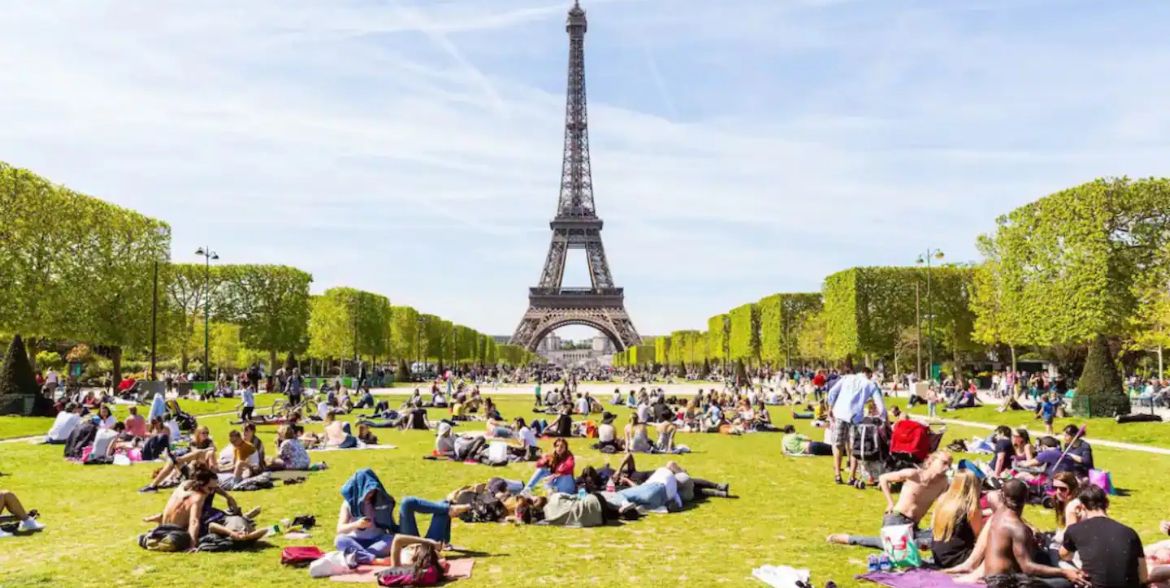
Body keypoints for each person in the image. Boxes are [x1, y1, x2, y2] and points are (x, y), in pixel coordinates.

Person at [827, 451, 952, 549]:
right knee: (896, 545)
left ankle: (908, 541)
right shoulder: (914, 474)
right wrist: (890, 503)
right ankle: (849, 538)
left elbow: (940, 506)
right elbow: (883, 478)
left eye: (949, 464)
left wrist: (935, 524)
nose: (947, 467)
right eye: (944, 463)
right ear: (932, 461)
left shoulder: (943, 483)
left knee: (942, 540)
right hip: (897, 519)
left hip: (914, 525)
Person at [981, 479, 1087, 588]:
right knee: (1067, 583)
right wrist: (1064, 572)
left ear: (1003, 496)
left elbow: (992, 495)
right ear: (1026, 498)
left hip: (992, 578)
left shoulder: (1000, 511)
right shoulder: (1018, 528)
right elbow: (1027, 567)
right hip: (1004, 583)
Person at [1060, 484, 1147, 587]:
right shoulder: (1130, 533)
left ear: (1082, 507)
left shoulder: (1075, 529)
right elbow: (1143, 576)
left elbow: (1065, 556)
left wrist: (1072, 519)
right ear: (1107, 504)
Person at [826, 366, 886, 485]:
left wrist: (830, 407)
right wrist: (882, 418)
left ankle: (837, 474)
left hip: (840, 413)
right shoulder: (870, 384)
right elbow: (880, 405)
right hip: (856, 417)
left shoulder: (846, 378)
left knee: (838, 444)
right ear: (869, 374)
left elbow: (832, 392)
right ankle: (851, 476)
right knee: (855, 447)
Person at [930, 471, 986, 568]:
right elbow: (979, 537)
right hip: (959, 558)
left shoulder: (944, 500)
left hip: (939, 556)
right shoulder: (971, 508)